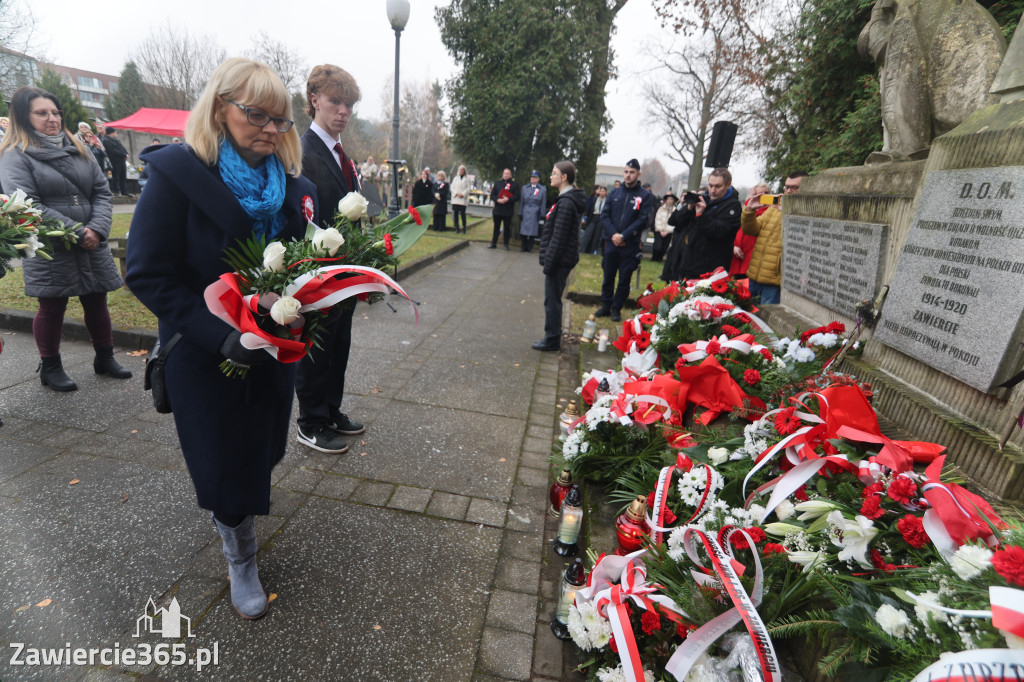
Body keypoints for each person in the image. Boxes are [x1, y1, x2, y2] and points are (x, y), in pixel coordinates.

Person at [126, 58, 317, 620]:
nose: (269, 128)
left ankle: (239, 511)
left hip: (273, 350)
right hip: (207, 354)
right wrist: (219, 335)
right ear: (219, 108)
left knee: (264, 450)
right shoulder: (179, 176)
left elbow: (310, 263)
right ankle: (240, 554)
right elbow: (147, 271)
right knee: (223, 463)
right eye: (255, 113)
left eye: (280, 120)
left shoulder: (293, 188)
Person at [0, 87, 132, 392]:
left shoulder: (80, 148)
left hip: (90, 238)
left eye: (56, 112)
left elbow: (101, 191)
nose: (52, 119)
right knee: (52, 306)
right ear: (23, 117)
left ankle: (105, 357)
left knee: (97, 299)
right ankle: (51, 367)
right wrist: (77, 231)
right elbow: (26, 202)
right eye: (42, 113)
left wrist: (96, 229)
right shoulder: (13, 154)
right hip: (51, 242)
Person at [295, 63, 367, 455]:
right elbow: (302, 213)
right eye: (335, 101)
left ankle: (330, 409)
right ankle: (310, 422)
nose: (343, 111)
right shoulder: (304, 151)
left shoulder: (342, 154)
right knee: (315, 347)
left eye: (349, 104)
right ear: (314, 100)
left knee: (339, 345)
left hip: (345, 269)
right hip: (317, 269)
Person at [534, 161, 585, 352]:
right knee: (552, 299)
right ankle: (552, 336)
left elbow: (559, 237)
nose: (550, 176)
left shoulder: (566, 202)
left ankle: (552, 339)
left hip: (559, 260)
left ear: (564, 177)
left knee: (552, 300)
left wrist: (549, 263)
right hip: (561, 259)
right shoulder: (565, 200)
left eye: (554, 173)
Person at [595, 159, 653, 322]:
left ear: (638, 174)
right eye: (626, 172)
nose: (628, 175)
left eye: (632, 172)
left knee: (624, 279)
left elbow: (643, 220)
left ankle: (616, 308)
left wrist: (624, 236)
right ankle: (606, 306)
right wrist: (614, 235)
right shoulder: (614, 193)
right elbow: (605, 215)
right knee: (608, 275)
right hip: (612, 242)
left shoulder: (645, 196)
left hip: (629, 244)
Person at [661, 168, 742, 282]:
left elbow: (720, 231)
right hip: (687, 264)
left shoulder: (733, 206)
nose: (712, 190)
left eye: (718, 186)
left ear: (728, 185)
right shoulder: (705, 199)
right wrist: (688, 207)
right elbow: (675, 221)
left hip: (710, 270)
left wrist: (701, 215)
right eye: (710, 185)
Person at [741, 171, 806, 304]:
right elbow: (751, 230)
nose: (788, 191)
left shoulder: (808, 212)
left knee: (765, 323)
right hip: (754, 275)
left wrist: (787, 214)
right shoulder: (774, 207)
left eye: (794, 187)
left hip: (774, 281)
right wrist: (749, 211)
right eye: (786, 187)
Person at [730, 183, 769, 276]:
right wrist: (734, 245)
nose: (763, 196)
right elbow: (737, 230)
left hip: (754, 260)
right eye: (759, 193)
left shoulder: (770, 212)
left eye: (766, 193)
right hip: (739, 256)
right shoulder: (745, 211)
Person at [488, 168, 518, 250]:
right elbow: (492, 195)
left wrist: (508, 199)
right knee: (496, 227)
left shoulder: (514, 185)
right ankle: (493, 243)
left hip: (508, 210)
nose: (505, 175)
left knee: (507, 228)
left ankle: (506, 244)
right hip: (498, 209)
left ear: (510, 175)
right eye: (504, 173)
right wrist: (497, 199)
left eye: (507, 173)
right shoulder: (498, 183)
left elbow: (517, 197)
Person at [518, 169, 546, 253]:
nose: (533, 179)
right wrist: (520, 212)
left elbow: (543, 202)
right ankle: (523, 246)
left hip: (535, 210)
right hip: (526, 209)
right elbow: (521, 201)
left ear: (538, 179)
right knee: (524, 229)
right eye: (532, 177)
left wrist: (542, 213)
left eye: (535, 177)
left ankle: (530, 247)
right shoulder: (524, 188)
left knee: (533, 229)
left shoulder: (542, 189)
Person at [101, 127, 130, 196]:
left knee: (123, 176)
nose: (116, 134)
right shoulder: (106, 140)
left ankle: (124, 191)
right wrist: (123, 154)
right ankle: (116, 191)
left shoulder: (116, 140)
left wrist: (126, 153)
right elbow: (112, 151)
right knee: (116, 176)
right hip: (114, 161)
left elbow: (122, 147)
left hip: (122, 160)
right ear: (111, 133)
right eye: (115, 132)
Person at [579, 185, 606, 254]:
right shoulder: (595, 199)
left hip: (601, 218)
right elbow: (590, 209)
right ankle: (582, 250)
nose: (602, 192)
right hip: (594, 217)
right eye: (601, 191)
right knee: (588, 233)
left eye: (603, 191)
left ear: (606, 192)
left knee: (596, 236)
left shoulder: (607, 201)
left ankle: (593, 251)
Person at [652, 191, 677, 262]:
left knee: (664, 246)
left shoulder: (675, 210)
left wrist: (667, 231)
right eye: (668, 199)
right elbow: (657, 219)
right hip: (659, 230)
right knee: (657, 246)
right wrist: (660, 230)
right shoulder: (661, 209)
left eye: (671, 199)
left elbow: (674, 222)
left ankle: (660, 258)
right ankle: (654, 258)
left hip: (668, 232)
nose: (670, 201)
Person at [450, 165, 470, 233]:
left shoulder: (467, 179)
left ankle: (464, 228)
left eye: (462, 170)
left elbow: (468, 188)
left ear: (464, 171)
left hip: (462, 199)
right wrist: (456, 193)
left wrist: (463, 194)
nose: (461, 171)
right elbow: (452, 187)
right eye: (460, 170)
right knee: (455, 214)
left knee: (462, 214)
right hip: (456, 199)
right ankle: (457, 228)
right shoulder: (455, 178)